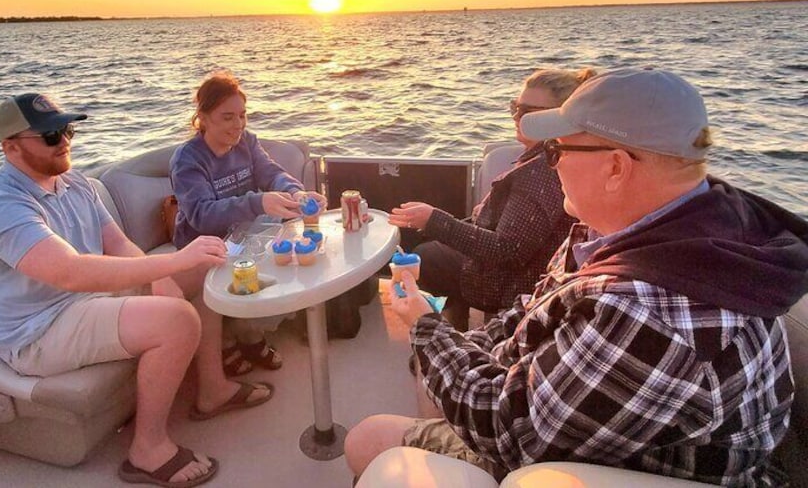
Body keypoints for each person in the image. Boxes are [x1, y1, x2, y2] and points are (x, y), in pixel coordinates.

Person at [345, 68, 808, 485]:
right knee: (433, 387)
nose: (552, 161)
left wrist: (426, 327)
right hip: (576, 418)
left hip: (594, 465)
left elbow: (514, 433)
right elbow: (531, 315)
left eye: (557, 148)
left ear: (615, 167)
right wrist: (461, 351)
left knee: (366, 440)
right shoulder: (636, 231)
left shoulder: (651, 315)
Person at [0, 93, 276, 487]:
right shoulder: (1, 207)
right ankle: (146, 451)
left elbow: (120, 246)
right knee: (175, 320)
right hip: (37, 330)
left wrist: (162, 278)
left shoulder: (75, 183)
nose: (63, 141)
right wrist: (173, 263)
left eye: (67, 129)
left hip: (84, 302)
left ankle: (211, 389)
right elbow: (71, 273)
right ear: (10, 147)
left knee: (208, 271)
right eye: (48, 135)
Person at [388, 69, 589, 330]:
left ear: (559, 116)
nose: (517, 116)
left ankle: (449, 328)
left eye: (528, 111)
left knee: (425, 256)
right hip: (524, 271)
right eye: (515, 107)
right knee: (429, 239)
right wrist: (436, 222)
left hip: (507, 284)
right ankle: (453, 316)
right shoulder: (547, 158)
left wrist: (433, 220)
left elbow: (506, 250)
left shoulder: (539, 173)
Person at [170, 71, 326, 374]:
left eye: (242, 116)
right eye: (227, 117)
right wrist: (258, 202)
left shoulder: (247, 142)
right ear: (203, 117)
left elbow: (272, 174)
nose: (238, 125)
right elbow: (200, 214)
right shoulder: (188, 160)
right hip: (204, 244)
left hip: (245, 233)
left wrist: (295, 190)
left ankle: (250, 333)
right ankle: (235, 339)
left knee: (289, 259)